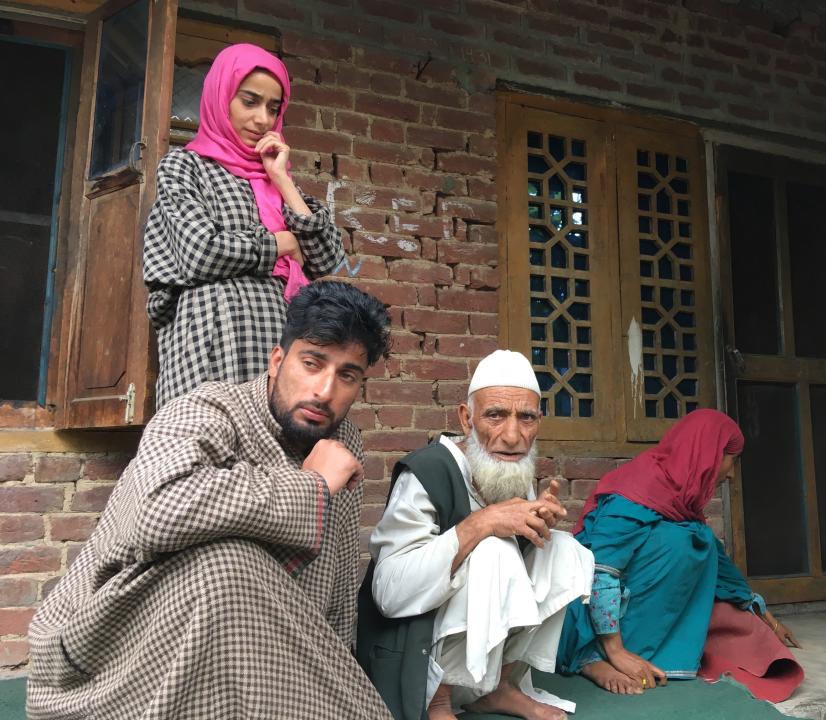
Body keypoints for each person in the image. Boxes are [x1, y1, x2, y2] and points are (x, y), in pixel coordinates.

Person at [28, 282, 392, 720]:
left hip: (253, 648)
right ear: (277, 361)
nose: (324, 390)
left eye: (347, 375)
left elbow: (333, 582)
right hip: (102, 650)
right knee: (228, 563)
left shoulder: (342, 441)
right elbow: (156, 514)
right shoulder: (205, 411)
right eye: (311, 363)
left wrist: (330, 673)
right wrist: (310, 486)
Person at [357, 350, 595, 720]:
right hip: (413, 656)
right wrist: (481, 524)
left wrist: (534, 529)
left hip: (473, 660)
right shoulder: (427, 470)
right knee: (492, 549)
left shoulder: (509, 468)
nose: (513, 435)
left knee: (563, 549)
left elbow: (516, 569)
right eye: (496, 415)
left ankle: (499, 686)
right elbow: (389, 593)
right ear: (467, 419)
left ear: (539, 422)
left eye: (526, 418)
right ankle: (438, 702)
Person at [143, 43, 345, 408]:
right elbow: (200, 253)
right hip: (210, 344)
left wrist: (281, 179)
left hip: (278, 347)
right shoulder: (185, 168)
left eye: (273, 108)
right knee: (204, 449)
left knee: (277, 457)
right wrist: (281, 243)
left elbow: (326, 257)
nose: (263, 120)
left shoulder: (275, 180)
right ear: (221, 98)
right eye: (249, 102)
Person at [556, 409, 804, 702]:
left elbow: (723, 571)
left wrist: (768, 619)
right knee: (677, 542)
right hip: (588, 615)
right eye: (731, 460)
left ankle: (645, 650)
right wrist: (616, 652)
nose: (732, 473)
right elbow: (601, 573)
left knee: (701, 547)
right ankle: (591, 659)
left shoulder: (681, 501)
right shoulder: (636, 489)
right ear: (708, 454)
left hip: (635, 614)